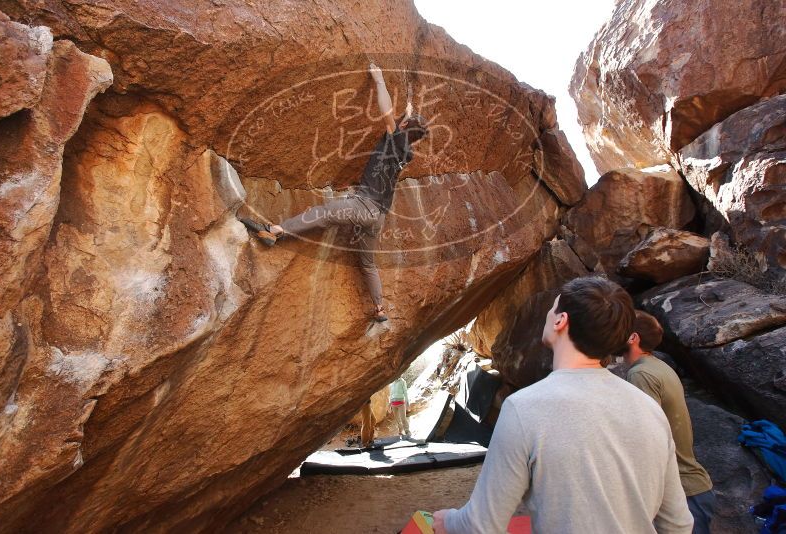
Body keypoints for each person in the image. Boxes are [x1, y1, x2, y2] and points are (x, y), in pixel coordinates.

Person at [432, 276, 693, 534]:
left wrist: (448, 521)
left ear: (560, 320)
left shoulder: (524, 409)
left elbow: (481, 525)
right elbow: (678, 524)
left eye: (553, 307)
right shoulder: (650, 410)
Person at [240, 63, 428, 323]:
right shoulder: (406, 153)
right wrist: (409, 115)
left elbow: (386, 113)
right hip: (378, 216)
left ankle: (274, 232)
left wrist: (380, 80)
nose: (398, 119)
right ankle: (379, 308)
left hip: (364, 206)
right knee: (367, 263)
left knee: (323, 213)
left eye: (403, 119)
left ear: (404, 125)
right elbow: (402, 122)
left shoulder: (397, 140)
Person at [623, 310, 715, 534]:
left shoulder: (641, 375)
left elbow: (647, 438)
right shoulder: (658, 367)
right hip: (693, 489)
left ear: (633, 337)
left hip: (682, 492)